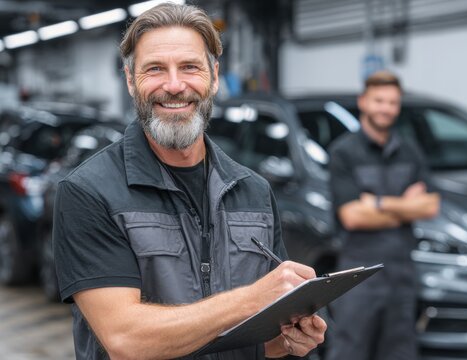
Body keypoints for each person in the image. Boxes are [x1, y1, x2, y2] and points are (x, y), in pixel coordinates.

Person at [52, 3, 326, 360]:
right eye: (154, 69)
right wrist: (251, 298)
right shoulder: (89, 192)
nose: (175, 85)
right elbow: (125, 339)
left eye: (190, 67)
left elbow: (261, 338)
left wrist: (289, 339)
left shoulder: (254, 192)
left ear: (213, 77)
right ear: (131, 80)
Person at [326, 71, 440, 360]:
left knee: (399, 351)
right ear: (363, 101)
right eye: (379, 100)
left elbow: (430, 206)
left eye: (392, 102)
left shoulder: (409, 150)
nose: (386, 108)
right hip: (358, 274)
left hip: (402, 272)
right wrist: (405, 208)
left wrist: (376, 203)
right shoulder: (344, 152)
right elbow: (353, 217)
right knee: (350, 349)